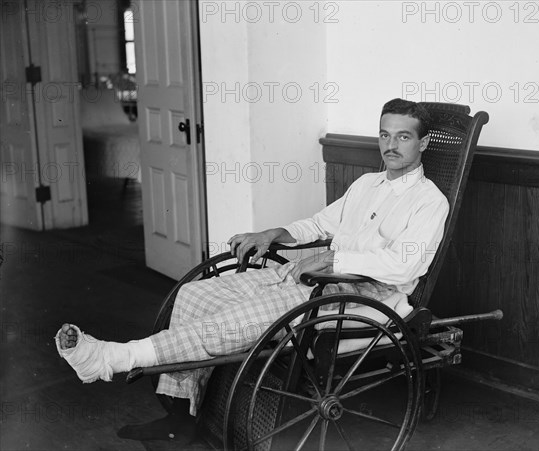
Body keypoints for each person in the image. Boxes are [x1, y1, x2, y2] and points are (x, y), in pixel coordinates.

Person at [56, 98, 449, 443]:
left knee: (230, 321)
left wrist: (334, 260)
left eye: (403, 137)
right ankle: (180, 417)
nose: (390, 145)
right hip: (312, 279)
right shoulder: (367, 184)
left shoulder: (429, 202)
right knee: (196, 294)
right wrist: (273, 233)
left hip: (362, 296)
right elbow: (319, 225)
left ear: (423, 143)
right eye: (385, 135)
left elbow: (406, 265)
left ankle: (111, 359)